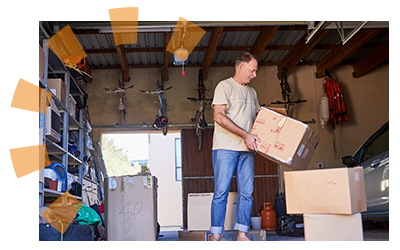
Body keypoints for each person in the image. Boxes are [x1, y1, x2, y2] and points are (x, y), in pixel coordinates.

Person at [210, 52, 261, 241]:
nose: (254, 75)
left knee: (247, 193)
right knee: (221, 192)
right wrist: (246, 134)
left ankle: (242, 233)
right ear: (241, 67)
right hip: (225, 148)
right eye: (252, 70)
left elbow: (257, 121)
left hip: (247, 149)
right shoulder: (224, 86)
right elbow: (219, 117)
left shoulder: (252, 92)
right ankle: (216, 235)